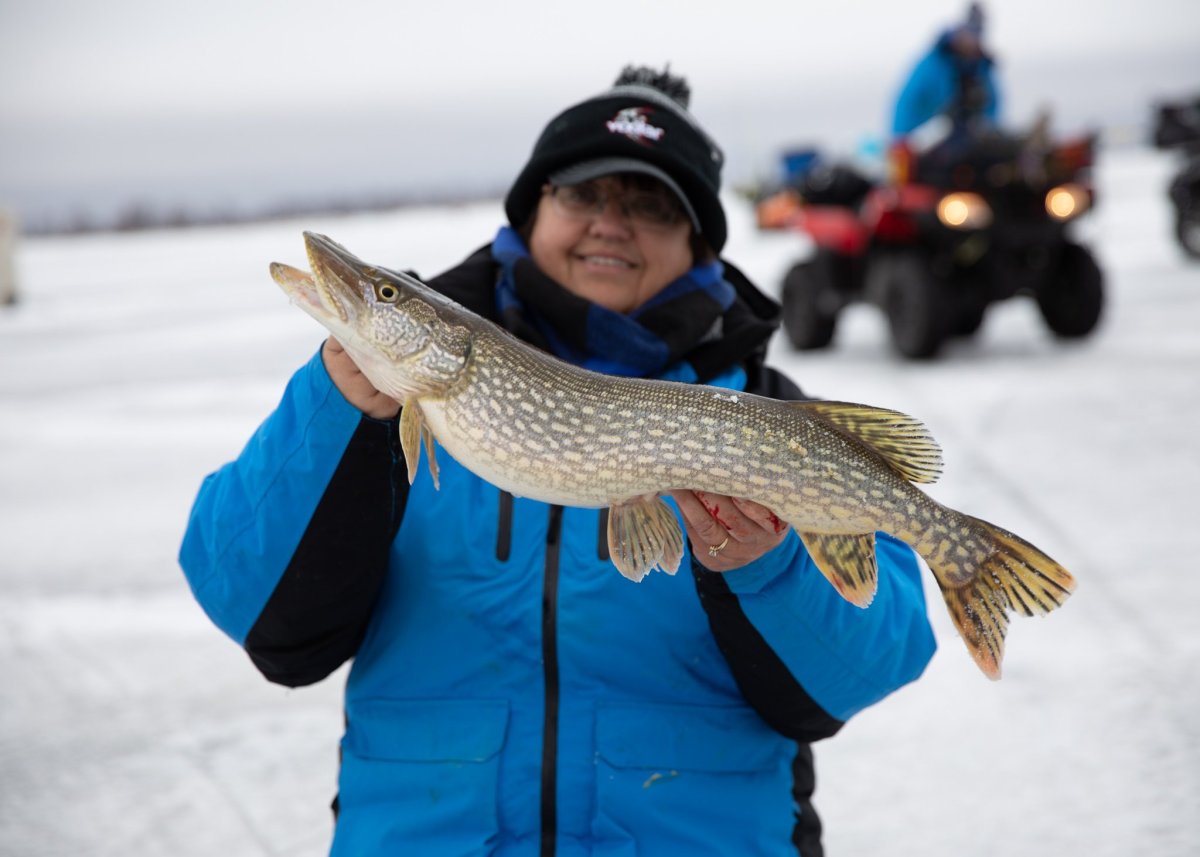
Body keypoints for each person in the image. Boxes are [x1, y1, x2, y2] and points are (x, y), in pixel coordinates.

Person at [179, 65, 936, 856]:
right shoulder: (378, 408)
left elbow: (867, 667)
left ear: (697, 242)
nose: (612, 223)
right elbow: (255, 612)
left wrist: (770, 566)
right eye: (583, 193)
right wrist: (333, 410)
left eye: (651, 206)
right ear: (533, 209)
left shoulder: (765, 405)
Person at [891, 3, 1001, 146]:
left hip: (965, 138)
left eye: (976, 34)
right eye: (969, 33)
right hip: (925, 141)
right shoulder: (933, 64)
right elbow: (907, 104)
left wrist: (988, 131)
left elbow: (992, 108)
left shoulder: (981, 69)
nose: (971, 41)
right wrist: (900, 143)